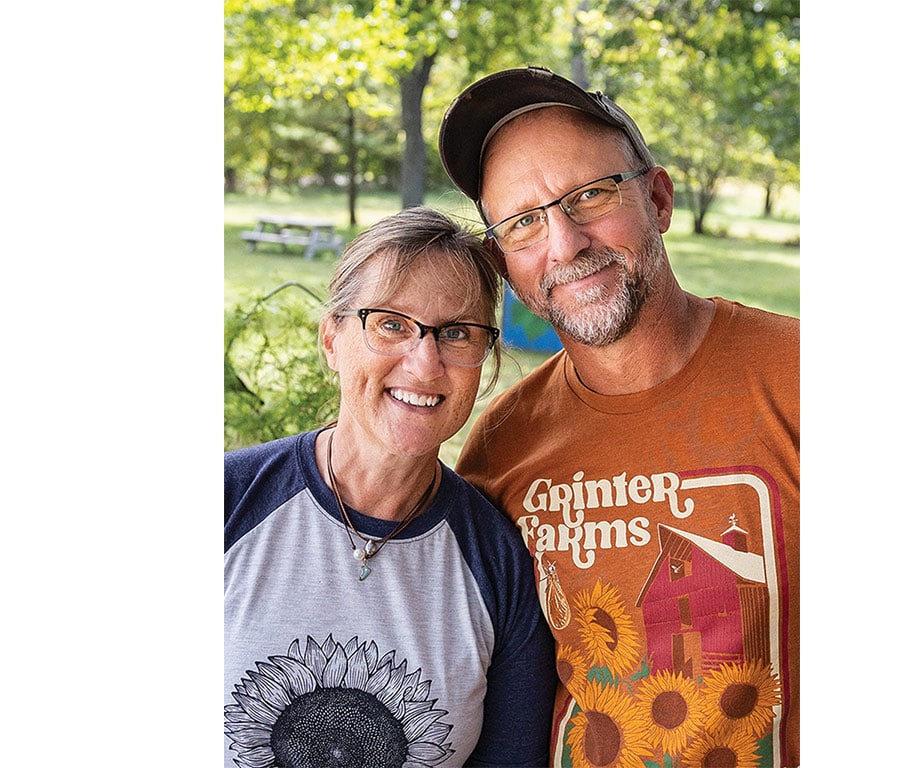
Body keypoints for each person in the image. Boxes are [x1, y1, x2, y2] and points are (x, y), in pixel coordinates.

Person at [439, 66, 800, 766]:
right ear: (501, 259)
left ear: (658, 199)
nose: (565, 243)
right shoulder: (501, 447)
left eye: (591, 195)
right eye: (523, 223)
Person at [224, 206, 556, 768]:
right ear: (332, 339)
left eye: (456, 333)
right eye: (391, 324)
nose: (425, 364)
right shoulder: (228, 500)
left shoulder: (500, 563)